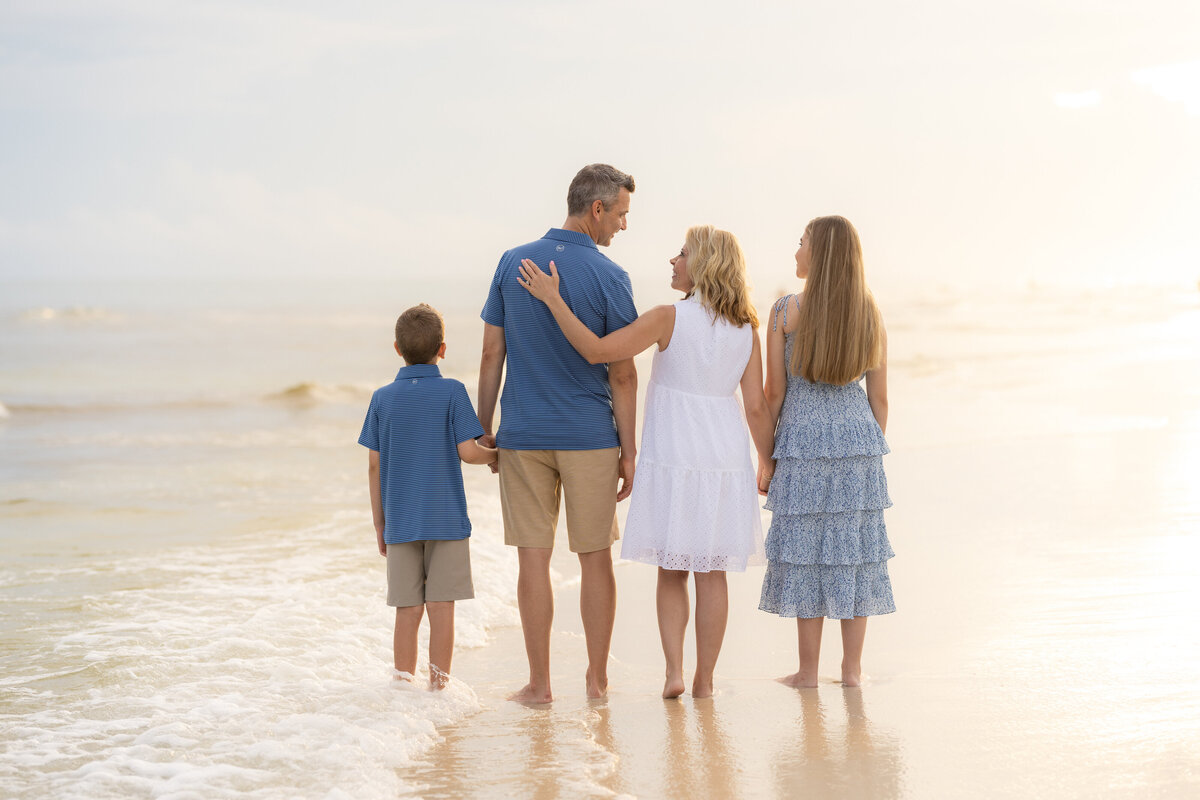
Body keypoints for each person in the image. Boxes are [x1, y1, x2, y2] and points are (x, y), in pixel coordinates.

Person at [518, 224, 775, 699]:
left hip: (675, 453)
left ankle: (674, 671)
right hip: (723, 457)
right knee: (712, 570)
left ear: (703, 265)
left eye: (681, 254)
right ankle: (705, 681)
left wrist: (554, 300)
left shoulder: (667, 318)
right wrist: (767, 461)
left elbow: (598, 351)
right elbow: (756, 406)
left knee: (672, 569)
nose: (672, 262)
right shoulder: (747, 329)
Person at [478, 164, 640, 703]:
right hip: (591, 436)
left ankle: (540, 684)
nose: (621, 226)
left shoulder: (511, 262)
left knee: (533, 558)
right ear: (597, 209)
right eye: (620, 215)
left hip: (522, 432)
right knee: (595, 557)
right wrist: (629, 449)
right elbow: (621, 370)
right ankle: (596, 680)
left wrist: (484, 430)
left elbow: (490, 353)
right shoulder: (611, 277)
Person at [757, 215, 896, 689]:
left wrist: (767, 456)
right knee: (852, 554)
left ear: (818, 254)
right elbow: (879, 397)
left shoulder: (782, 312)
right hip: (858, 440)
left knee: (807, 554)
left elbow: (773, 394)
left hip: (802, 441)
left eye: (800, 243)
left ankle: (808, 673)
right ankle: (852, 671)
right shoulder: (869, 314)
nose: (795, 252)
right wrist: (870, 450)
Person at [359, 303, 497, 690]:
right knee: (441, 608)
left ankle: (403, 687)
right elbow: (468, 452)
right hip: (447, 520)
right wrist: (497, 456)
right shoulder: (453, 392)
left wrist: (379, 522)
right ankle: (439, 689)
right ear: (443, 349)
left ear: (397, 349)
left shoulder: (381, 399)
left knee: (407, 610)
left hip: (400, 520)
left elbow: (374, 466)